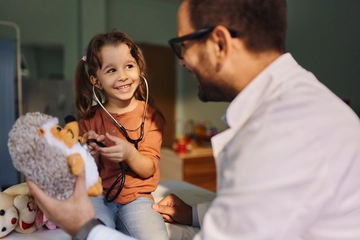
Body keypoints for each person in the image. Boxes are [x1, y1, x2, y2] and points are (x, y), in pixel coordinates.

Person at [27, 0, 360, 239]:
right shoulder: (296, 105)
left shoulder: (282, 133)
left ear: (219, 43)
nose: (182, 61)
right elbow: (268, 208)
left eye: (182, 45)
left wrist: (84, 227)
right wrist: (196, 213)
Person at [73, 31, 168, 240]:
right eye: (111, 70)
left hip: (137, 198)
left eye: (129, 66)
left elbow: (148, 168)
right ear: (96, 81)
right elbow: (85, 174)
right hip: (99, 196)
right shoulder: (89, 121)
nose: (123, 76)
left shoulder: (151, 117)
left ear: (139, 68)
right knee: (91, 234)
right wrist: (91, 155)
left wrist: (129, 153)